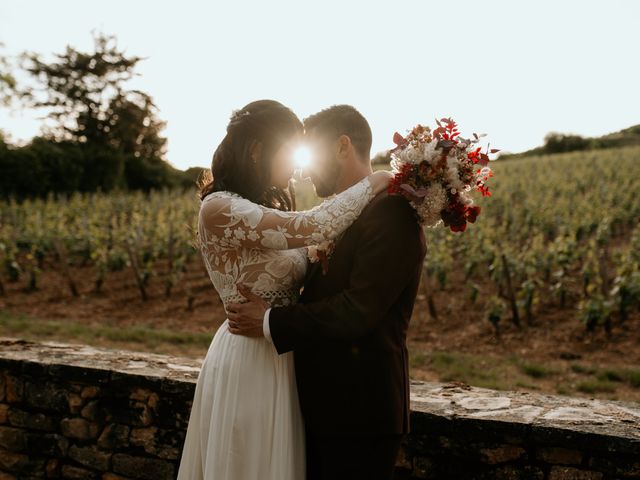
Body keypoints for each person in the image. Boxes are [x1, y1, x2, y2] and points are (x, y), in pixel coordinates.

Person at [176, 100, 392, 480]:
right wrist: (376, 180)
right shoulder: (220, 209)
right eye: (289, 152)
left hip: (283, 354)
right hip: (248, 358)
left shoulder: (257, 206)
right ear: (257, 149)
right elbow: (315, 225)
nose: (297, 167)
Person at [228, 104, 427, 480]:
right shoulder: (344, 214)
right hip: (327, 408)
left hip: (359, 413)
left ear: (342, 146)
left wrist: (269, 320)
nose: (303, 170)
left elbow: (358, 310)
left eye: (312, 155)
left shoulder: (390, 211)